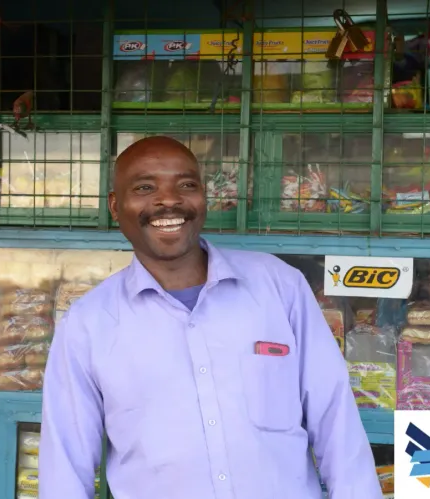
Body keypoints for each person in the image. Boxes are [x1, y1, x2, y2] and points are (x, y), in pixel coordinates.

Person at [39, 136, 382, 499]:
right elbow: (65, 467)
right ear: (114, 205)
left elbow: (335, 421)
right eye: (144, 187)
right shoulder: (89, 323)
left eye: (186, 185)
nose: (169, 200)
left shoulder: (279, 287)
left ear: (204, 197)